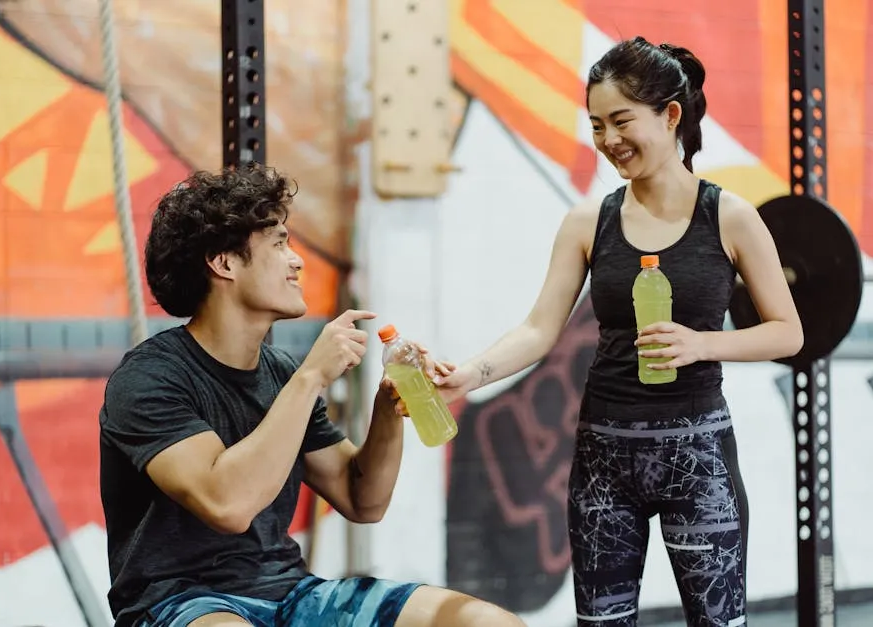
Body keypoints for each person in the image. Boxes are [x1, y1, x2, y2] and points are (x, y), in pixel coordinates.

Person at [435, 36, 803, 626]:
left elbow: (788, 333)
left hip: (698, 455)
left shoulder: (730, 216)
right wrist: (470, 374)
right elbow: (537, 329)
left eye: (622, 121)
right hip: (604, 458)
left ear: (671, 115)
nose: (609, 141)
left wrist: (702, 344)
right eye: (597, 125)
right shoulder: (589, 221)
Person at [98, 165, 526, 627]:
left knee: (488, 623)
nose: (297, 260)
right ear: (223, 263)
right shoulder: (149, 378)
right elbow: (227, 504)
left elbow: (364, 500)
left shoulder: (281, 374)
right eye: (279, 244)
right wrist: (311, 377)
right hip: (179, 602)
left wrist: (387, 408)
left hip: (290, 594)